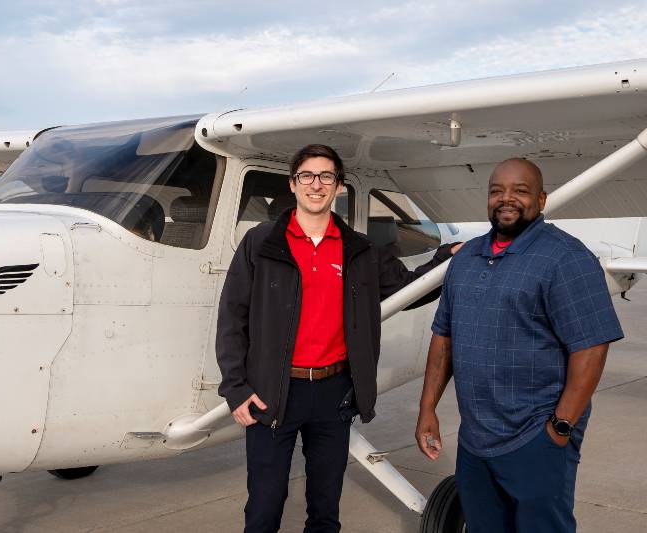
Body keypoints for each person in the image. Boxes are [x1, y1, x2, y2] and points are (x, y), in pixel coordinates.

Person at [216, 144, 460, 533]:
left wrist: (447, 256)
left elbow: (407, 288)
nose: (317, 185)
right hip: (273, 391)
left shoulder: (360, 249)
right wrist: (235, 387)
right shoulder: (260, 242)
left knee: (325, 508)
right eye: (308, 176)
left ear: (338, 186)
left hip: (334, 392)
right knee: (264, 507)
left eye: (326, 177)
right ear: (293, 184)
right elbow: (232, 316)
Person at [415, 158, 624, 533]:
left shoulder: (567, 257)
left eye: (520, 191)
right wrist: (427, 407)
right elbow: (444, 335)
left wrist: (560, 427)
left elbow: (591, 347)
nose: (506, 199)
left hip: (535, 436)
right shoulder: (465, 260)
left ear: (541, 200)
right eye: (497, 191)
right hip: (475, 439)